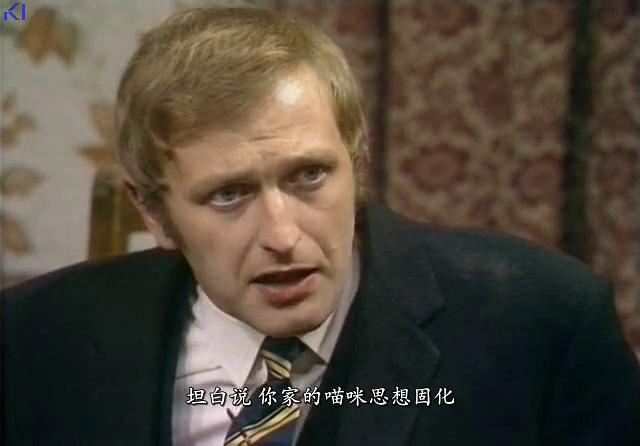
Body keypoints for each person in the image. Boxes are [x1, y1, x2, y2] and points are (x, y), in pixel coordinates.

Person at [3, 6, 639, 446]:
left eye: (308, 176)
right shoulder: (31, 339)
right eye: (229, 194)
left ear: (356, 166)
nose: (283, 236)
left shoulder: (544, 325)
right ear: (154, 213)